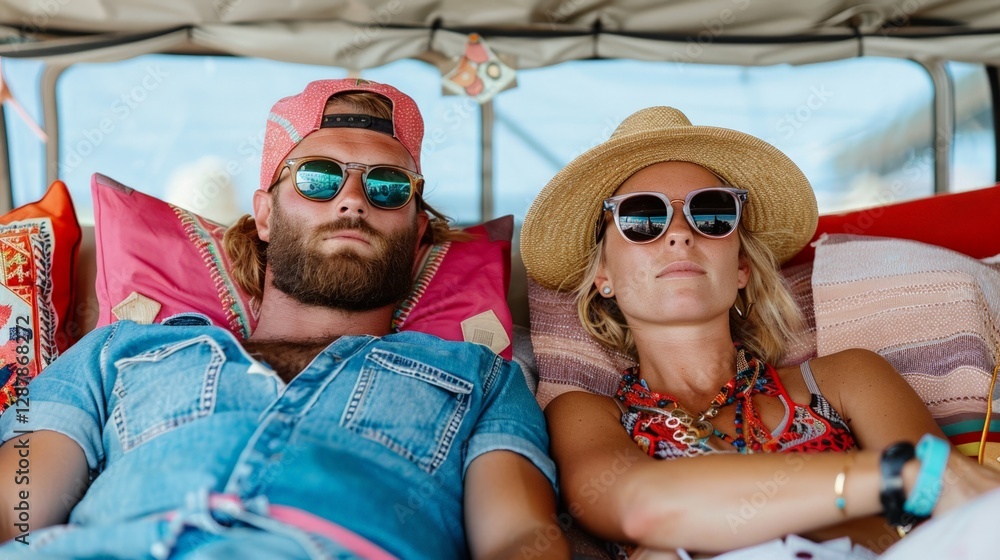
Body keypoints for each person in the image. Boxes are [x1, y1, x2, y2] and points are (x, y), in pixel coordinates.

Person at [0, 79, 568, 560]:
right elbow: (14, 504)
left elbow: (519, 539)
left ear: (417, 231)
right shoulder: (114, 352)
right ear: (265, 215)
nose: (352, 200)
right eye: (318, 178)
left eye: (389, 187)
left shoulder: (483, 377)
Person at [519, 106, 1000, 559]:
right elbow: (640, 507)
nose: (681, 234)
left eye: (712, 214)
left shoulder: (848, 376)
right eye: (641, 218)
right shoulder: (585, 412)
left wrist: (704, 530)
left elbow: (957, 513)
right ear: (603, 275)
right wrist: (898, 480)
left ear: (742, 266)